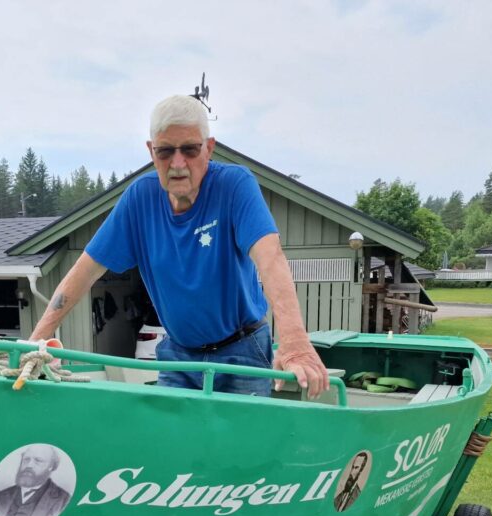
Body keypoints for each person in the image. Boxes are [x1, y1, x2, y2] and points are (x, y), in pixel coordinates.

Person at [29, 94, 329, 398]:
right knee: (174, 442)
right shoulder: (139, 200)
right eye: (165, 152)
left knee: (241, 442)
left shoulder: (235, 186)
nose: (177, 163)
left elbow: (270, 257)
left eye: (189, 149)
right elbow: (85, 272)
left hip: (242, 350)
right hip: (179, 355)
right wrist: (36, 340)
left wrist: (294, 341)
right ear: (151, 151)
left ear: (209, 148)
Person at [0, 444, 71, 516]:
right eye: (26, 459)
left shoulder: (64, 501)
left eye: (38, 460)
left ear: (51, 466)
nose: (29, 465)